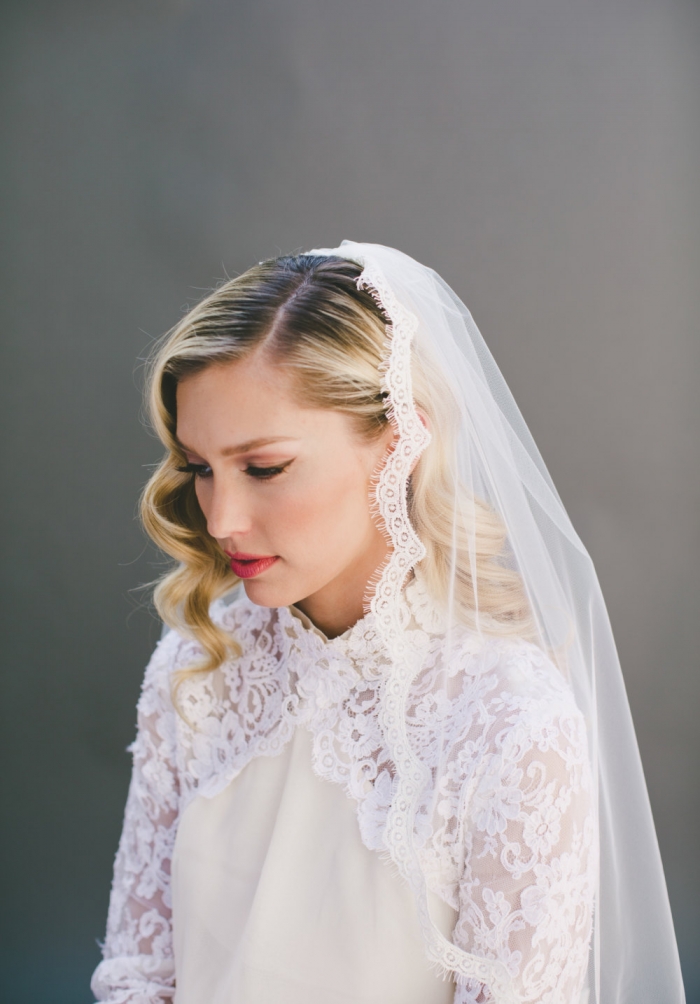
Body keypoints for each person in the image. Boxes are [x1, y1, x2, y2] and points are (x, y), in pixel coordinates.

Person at [91, 242, 685, 1004]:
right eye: (200, 468)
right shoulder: (198, 668)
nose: (222, 519)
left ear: (401, 443)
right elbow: (140, 974)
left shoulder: (509, 724)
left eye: (264, 467)